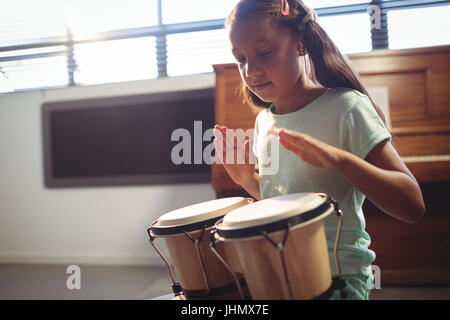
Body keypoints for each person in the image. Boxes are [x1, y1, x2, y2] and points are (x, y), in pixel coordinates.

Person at [212, 0, 425, 300]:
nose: (251, 70)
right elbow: (287, 203)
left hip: (337, 277)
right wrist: (248, 179)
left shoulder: (346, 107)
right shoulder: (264, 121)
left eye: (264, 53)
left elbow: (412, 205)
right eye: (240, 58)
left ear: (300, 44)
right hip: (282, 270)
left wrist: (340, 161)